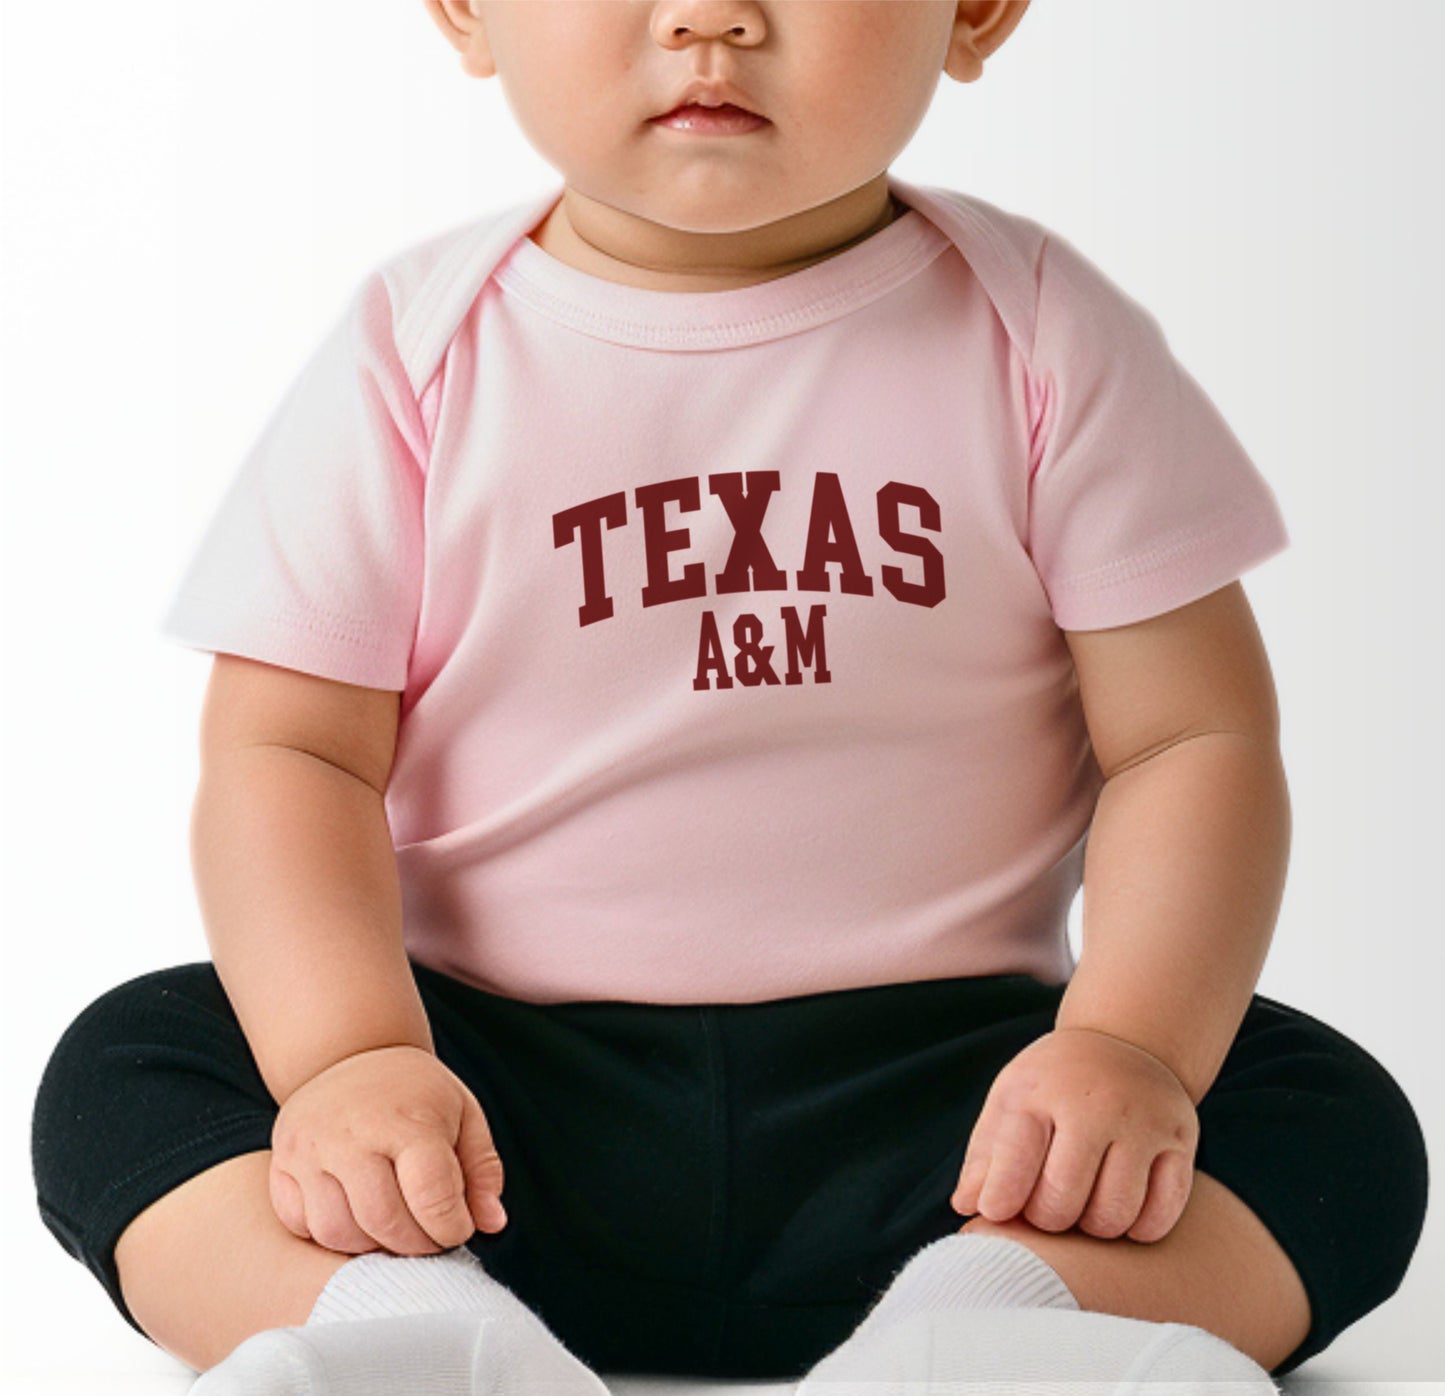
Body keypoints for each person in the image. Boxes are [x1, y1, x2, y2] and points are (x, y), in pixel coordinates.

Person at [31, 2, 1429, 1392]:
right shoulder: (417, 350)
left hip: (957, 1125)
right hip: (488, 1125)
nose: (710, 16)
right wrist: (350, 1058)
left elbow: (1190, 737)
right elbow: (290, 752)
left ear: (978, 10)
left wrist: (1126, 1047)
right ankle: (400, 1335)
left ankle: (1001, 1332)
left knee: (1326, 1119)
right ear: (464, 9)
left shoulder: (1042, 336)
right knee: (132, 1065)